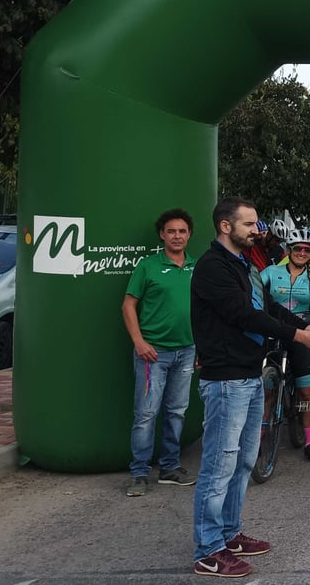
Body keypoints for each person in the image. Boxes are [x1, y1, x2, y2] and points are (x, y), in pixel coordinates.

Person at [190, 197, 310, 578]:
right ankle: (208, 549)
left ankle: (229, 533)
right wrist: (299, 336)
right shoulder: (211, 268)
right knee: (219, 466)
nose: (258, 230)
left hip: (250, 374)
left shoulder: (244, 265)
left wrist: (307, 328)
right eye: (250, 224)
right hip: (225, 379)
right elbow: (242, 314)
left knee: (242, 462)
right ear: (225, 226)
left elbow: (268, 307)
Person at [123, 209, 198, 497]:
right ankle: (139, 474)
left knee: (177, 412)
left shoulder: (196, 266)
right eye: (171, 231)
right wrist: (139, 343)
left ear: (189, 234)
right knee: (146, 414)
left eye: (182, 231)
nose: (177, 236)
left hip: (187, 351)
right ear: (162, 235)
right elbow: (128, 305)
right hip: (152, 353)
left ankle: (169, 468)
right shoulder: (148, 266)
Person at [259, 228, 310, 462]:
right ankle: (259, 437)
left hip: (303, 331)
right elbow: (255, 292)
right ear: (289, 250)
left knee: (306, 390)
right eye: (297, 248)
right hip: (273, 328)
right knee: (266, 390)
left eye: (306, 250)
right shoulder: (271, 271)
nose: (302, 252)